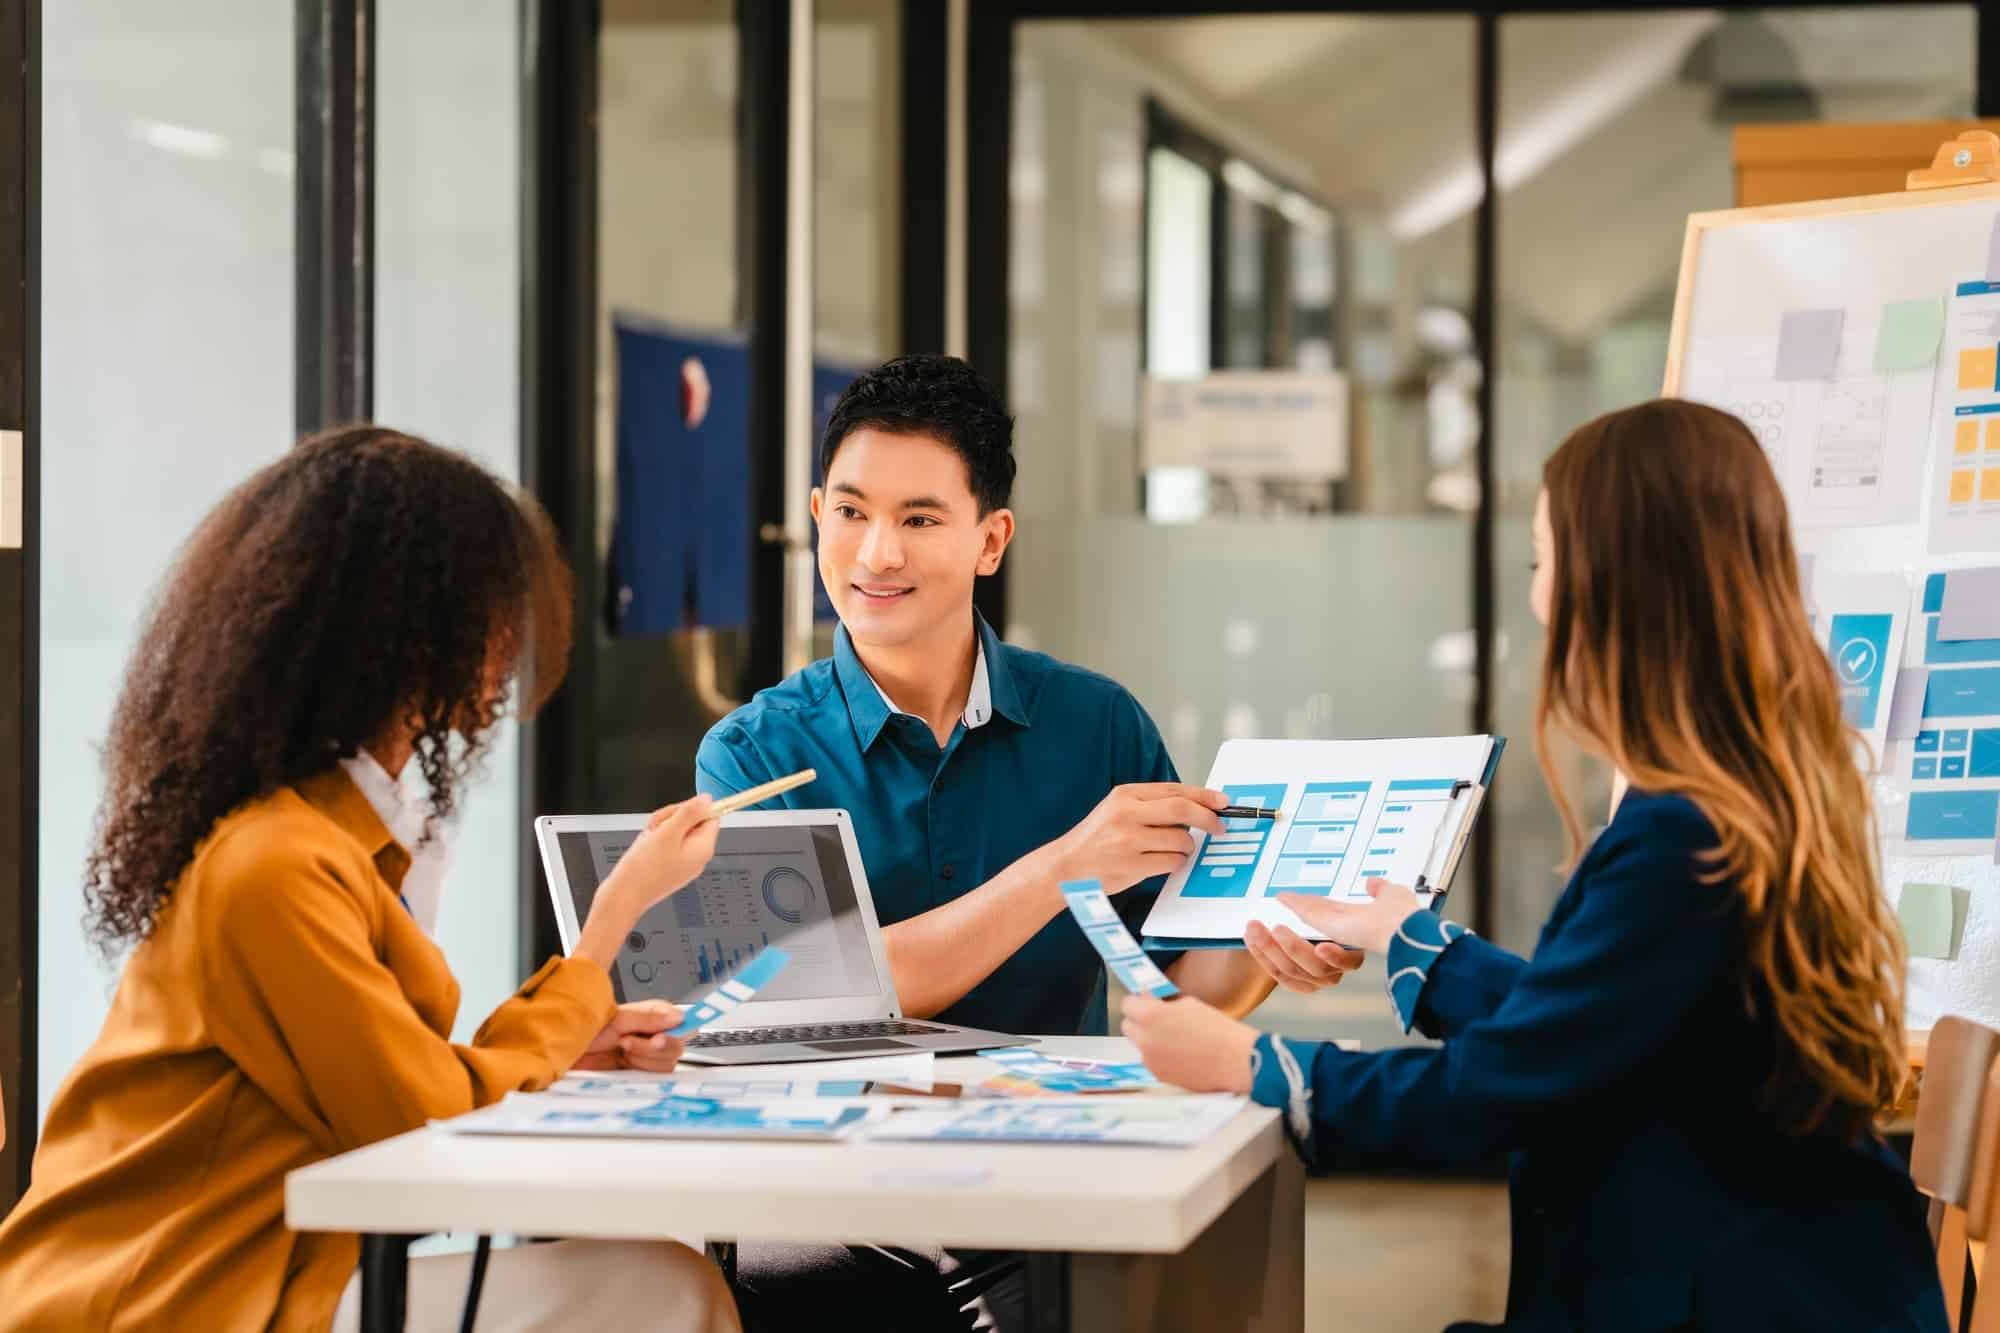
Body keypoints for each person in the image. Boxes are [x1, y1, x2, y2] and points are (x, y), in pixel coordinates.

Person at [1122, 398, 1948, 1332]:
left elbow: (1503, 1093)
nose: (1537, 596)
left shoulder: (1682, 834)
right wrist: (1415, 943)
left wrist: (1255, 1065)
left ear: (1611, 580)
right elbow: (1603, 1024)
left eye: (1543, 559)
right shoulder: (1747, 791)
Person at [0, 428, 741, 1333]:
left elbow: (404, 1086)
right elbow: (424, 1128)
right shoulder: (274, 864)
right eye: (490, 608)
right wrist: (612, 920)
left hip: (260, 1274)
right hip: (172, 1301)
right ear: (406, 629)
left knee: (660, 1280)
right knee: (663, 1293)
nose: (511, 638)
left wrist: (562, 1038)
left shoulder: (320, 841)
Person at [691, 354, 1361, 1329]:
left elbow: (1173, 986)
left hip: (1055, 1162)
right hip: (830, 1178)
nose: (874, 552)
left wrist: (1276, 944)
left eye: (918, 519)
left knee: (1236, 1213)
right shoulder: (753, 753)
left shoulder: (1095, 726)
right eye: (848, 511)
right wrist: (1062, 868)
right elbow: (822, 988)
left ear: (989, 540)